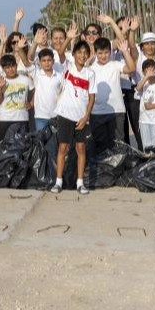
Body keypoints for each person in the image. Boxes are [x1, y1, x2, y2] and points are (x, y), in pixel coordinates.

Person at [51, 40, 96, 195]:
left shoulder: (90, 73)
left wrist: (86, 117)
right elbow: (60, 52)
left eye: (85, 53)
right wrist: (69, 38)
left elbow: (91, 98)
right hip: (65, 115)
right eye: (80, 52)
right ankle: (58, 182)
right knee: (63, 148)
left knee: (81, 148)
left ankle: (80, 183)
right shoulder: (68, 67)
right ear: (74, 54)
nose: (82, 55)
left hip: (81, 118)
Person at [88, 36, 132, 155]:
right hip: (97, 112)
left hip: (116, 111)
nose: (103, 56)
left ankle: (120, 166)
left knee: (119, 144)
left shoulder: (115, 65)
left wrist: (125, 51)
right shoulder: (90, 69)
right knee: (100, 145)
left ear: (110, 52)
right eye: (100, 53)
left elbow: (131, 68)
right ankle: (103, 166)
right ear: (95, 53)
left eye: (106, 52)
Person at [0, 54, 33, 141]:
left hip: (22, 118)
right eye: (7, 67)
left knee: (22, 145)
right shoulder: (0, 81)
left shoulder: (26, 79)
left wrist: (31, 103)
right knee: (4, 145)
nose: (11, 69)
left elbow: (34, 91)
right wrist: (0, 88)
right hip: (4, 119)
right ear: (3, 69)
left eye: (13, 66)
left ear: (16, 66)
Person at [31, 48, 64, 133]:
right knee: (41, 140)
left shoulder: (60, 76)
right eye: (44, 60)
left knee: (56, 140)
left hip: (56, 116)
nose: (47, 63)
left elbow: (63, 94)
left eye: (49, 60)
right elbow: (26, 62)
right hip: (40, 117)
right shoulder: (37, 74)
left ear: (53, 61)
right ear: (39, 62)